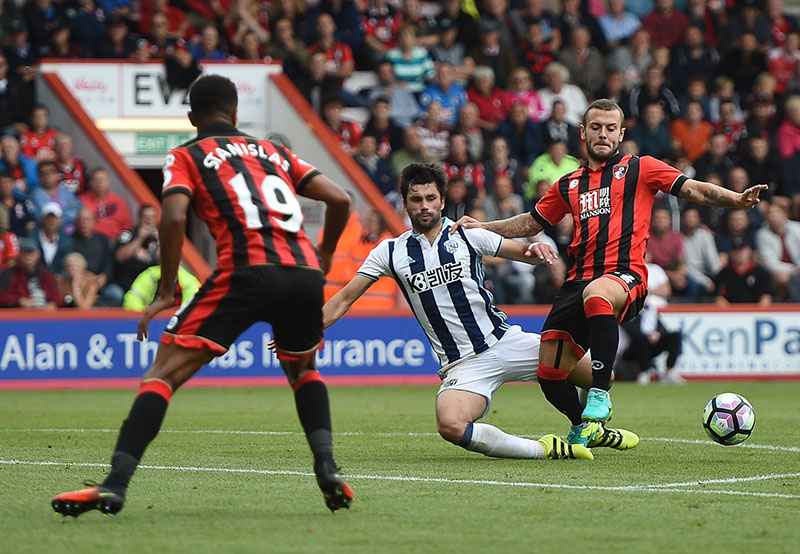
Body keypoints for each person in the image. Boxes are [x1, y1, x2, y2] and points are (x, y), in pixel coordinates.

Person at [51, 75, 354, 517]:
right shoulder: (274, 151)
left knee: (162, 374)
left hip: (245, 271)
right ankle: (326, 467)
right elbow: (340, 198)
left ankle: (114, 485)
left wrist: (168, 289)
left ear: (191, 117)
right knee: (304, 368)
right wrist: (323, 256)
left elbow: (173, 216)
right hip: (304, 273)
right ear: (235, 115)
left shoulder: (187, 154)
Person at [450, 98, 767, 447]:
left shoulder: (641, 168)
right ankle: (582, 426)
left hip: (625, 276)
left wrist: (736, 199)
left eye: (611, 128)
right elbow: (528, 222)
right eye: (596, 127)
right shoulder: (569, 184)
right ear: (583, 132)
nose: (603, 134)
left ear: (621, 133)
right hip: (577, 282)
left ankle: (599, 394)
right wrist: (482, 225)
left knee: (598, 293)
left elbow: (695, 189)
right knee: (550, 374)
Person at [324, 162, 635, 461]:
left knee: (601, 374)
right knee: (450, 425)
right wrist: (306, 330)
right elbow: (343, 299)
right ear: (405, 203)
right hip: (462, 365)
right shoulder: (390, 252)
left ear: (442, 201)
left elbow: (522, 254)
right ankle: (546, 449)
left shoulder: (465, 233)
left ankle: (587, 429)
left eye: (431, 198)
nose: (424, 205)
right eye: (416, 199)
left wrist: (537, 250)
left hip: (504, 341)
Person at [0, 237, 61, 309]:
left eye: (31, 252)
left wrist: (53, 303)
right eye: (25, 252)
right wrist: (19, 300)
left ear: (38, 255)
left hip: (46, 314)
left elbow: (57, 296)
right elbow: (2, 296)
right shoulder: (8, 274)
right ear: (19, 255)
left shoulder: (46, 274)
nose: (28, 255)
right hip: (21, 315)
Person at [122, 264, 201, 311]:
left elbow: (195, 310)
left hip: (179, 326)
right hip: (149, 324)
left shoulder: (190, 282)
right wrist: (145, 316)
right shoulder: (149, 275)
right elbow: (131, 301)